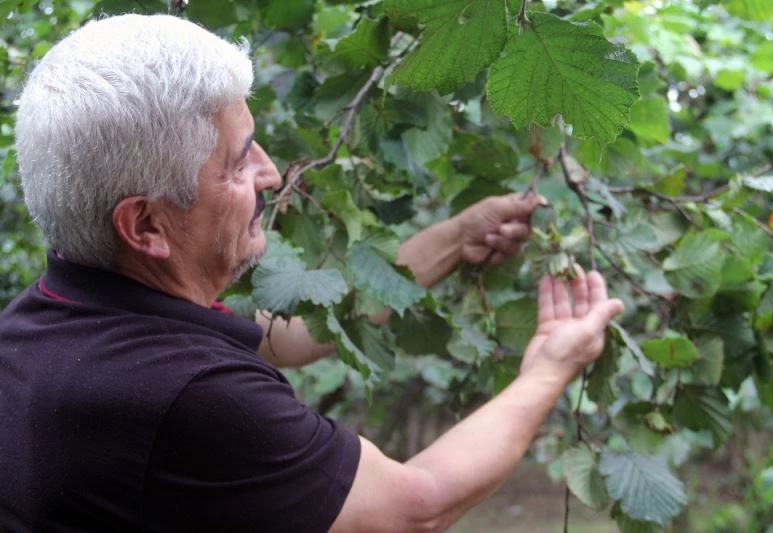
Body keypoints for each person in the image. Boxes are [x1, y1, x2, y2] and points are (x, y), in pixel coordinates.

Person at [0, 14, 623, 533]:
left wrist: (457, 238)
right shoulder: (191, 396)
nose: (271, 174)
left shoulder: (51, 322)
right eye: (238, 163)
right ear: (146, 226)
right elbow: (415, 507)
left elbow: (289, 337)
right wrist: (551, 365)